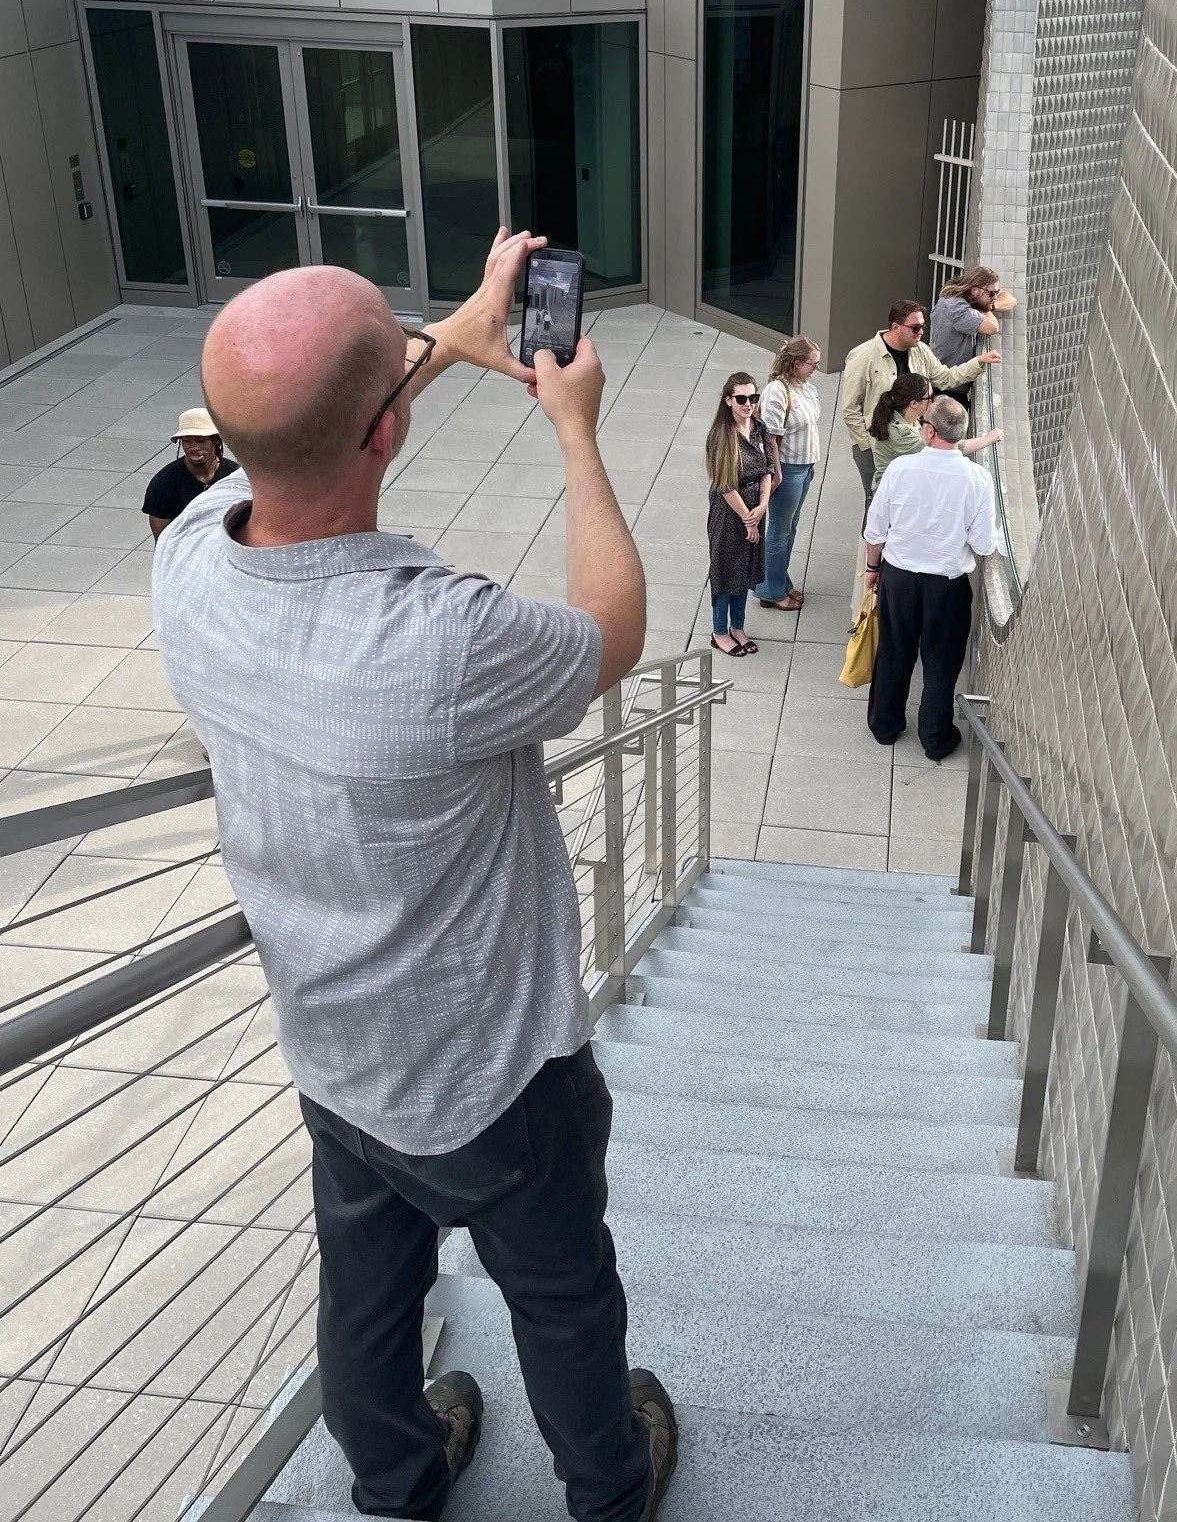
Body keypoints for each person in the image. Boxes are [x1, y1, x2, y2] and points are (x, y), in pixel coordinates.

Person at [151, 230, 677, 1522]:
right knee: (562, 1295)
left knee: (367, 1287)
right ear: (386, 436)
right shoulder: (441, 643)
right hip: (489, 1075)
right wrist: (575, 430)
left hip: (331, 1049)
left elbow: (313, 432)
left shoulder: (190, 561)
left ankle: (392, 1477)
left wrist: (451, 336)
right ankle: (610, 1488)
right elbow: (611, 630)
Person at [863, 395, 995, 762]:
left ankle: (885, 725)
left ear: (930, 431)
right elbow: (983, 543)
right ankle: (935, 736)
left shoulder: (900, 470)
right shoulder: (977, 478)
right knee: (941, 660)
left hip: (899, 578)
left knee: (893, 650)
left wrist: (873, 571)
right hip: (947, 586)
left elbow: (875, 531)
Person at [841, 299, 998, 503]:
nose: (921, 332)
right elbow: (850, 408)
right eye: (915, 328)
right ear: (896, 327)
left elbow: (946, 378)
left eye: (923, 327)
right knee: (877, 499)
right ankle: (871, 535)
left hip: (909, 437)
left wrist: (978, 363)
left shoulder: (921, 351)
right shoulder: (863, 355)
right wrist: (868, 444)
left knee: (903, 498)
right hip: (876, 443)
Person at [705, 372, 774, 656]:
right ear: (729, 400)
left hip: (755, 505)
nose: (748, 404)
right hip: (729, 510)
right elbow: (725, 484)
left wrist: (762, 506)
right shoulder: (722, 436)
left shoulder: (759, 428)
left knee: (746, 569)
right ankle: (719, 631)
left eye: (753, 398)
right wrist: (749, 518)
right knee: (725, 571)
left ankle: (738, 627)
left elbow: (768, 469)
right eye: (742, 399)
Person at [753, 336, 822, 612]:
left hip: (805, 467)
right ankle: (770, 590)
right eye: (812, 364)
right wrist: (776, 474)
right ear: (796, 363)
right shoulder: (777, 391)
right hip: (789, 469)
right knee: (779, 531)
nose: (816, 369)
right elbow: (770, 437)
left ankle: (781, 581)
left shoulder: (805, 387)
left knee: (789, 529)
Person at [869, 373, 1002, 484]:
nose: (933, 401)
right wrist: (988, 439)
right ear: (914, 403)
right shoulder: (900, 434)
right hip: (891, 493)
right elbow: (951, 446)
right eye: (930, 397)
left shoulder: (904, 415)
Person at [142, 408, 239, 540]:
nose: (193, 447)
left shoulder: (235, 476)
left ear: (215, 440)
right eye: (187, 441)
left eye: (201, 440)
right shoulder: (164, 482)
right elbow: (162, 539)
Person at [929, 267, 1016, 402]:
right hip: (947, 387)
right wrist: (986, 308)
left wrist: (990, 304)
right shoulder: (956, 308)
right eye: (992, 294)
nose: (995, 297)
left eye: (996, 293)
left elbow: (1011, 299)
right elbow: (992, 327)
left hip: (954, 383)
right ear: (975, 290)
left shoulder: (967, 298)